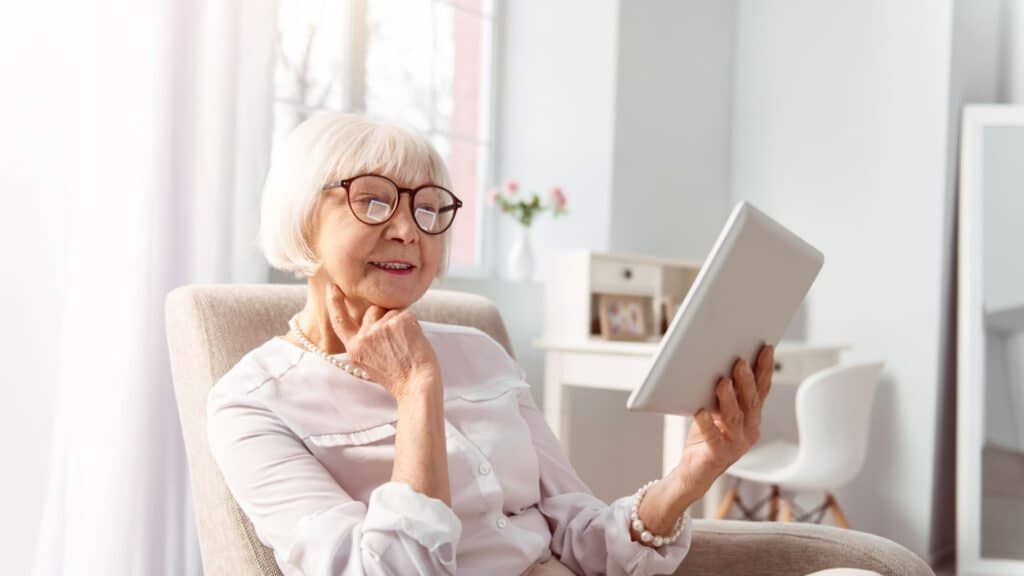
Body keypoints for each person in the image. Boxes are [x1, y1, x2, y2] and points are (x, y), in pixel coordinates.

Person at [206, 112, 775, 575]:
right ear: (301, 217)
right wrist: (416, 390)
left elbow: (581, 533)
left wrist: (693, 472)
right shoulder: (252, 404)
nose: (409, 229)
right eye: (374, 200)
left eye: (428, 209)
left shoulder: (481, 352)